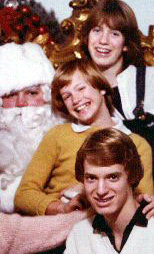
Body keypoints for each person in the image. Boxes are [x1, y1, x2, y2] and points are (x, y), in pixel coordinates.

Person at [14, 58, 153, 216]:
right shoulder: (58, 135)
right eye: (67, 96)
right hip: (59, 221)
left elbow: (144, 199)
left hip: (111, 223)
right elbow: (23, 195)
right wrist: (60, 208)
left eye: (81, 88)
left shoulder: (137, 143)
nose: (75, 99)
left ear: (100, 87)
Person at [0, 42, 65, 213]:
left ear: (47, 97)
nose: (21, 104)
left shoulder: (66, 136)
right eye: (11, 95)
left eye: (32, 93)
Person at [65, 128, 154, 254]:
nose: (101, 191)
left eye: (112, 177)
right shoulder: (80, 233)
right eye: (91, 178)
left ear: (132, 176)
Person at [81, 0, 154, 122]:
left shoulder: (150, 79)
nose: (103, 41)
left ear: (126, 44)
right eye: (97, 31)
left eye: (114, 34)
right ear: (87, 38)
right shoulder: (77, 89)